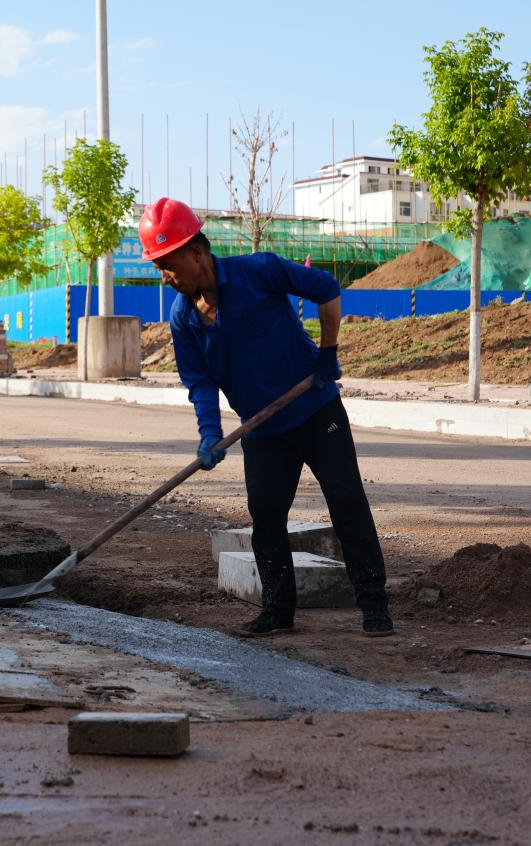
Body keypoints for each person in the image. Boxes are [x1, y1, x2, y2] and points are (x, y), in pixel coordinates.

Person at [139, 197, 394, 638]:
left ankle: (374, 604)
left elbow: (326, 288)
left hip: (316, 411)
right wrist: (209, 434)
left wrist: (328, 353)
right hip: (262, 428)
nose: (165, 276)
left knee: (346, 501)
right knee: (266, 514)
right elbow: (200, 382)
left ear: (196, 252)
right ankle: (278, 610)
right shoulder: (184, 320)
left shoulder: (260, 270)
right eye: (159, 265)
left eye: (168, 264)